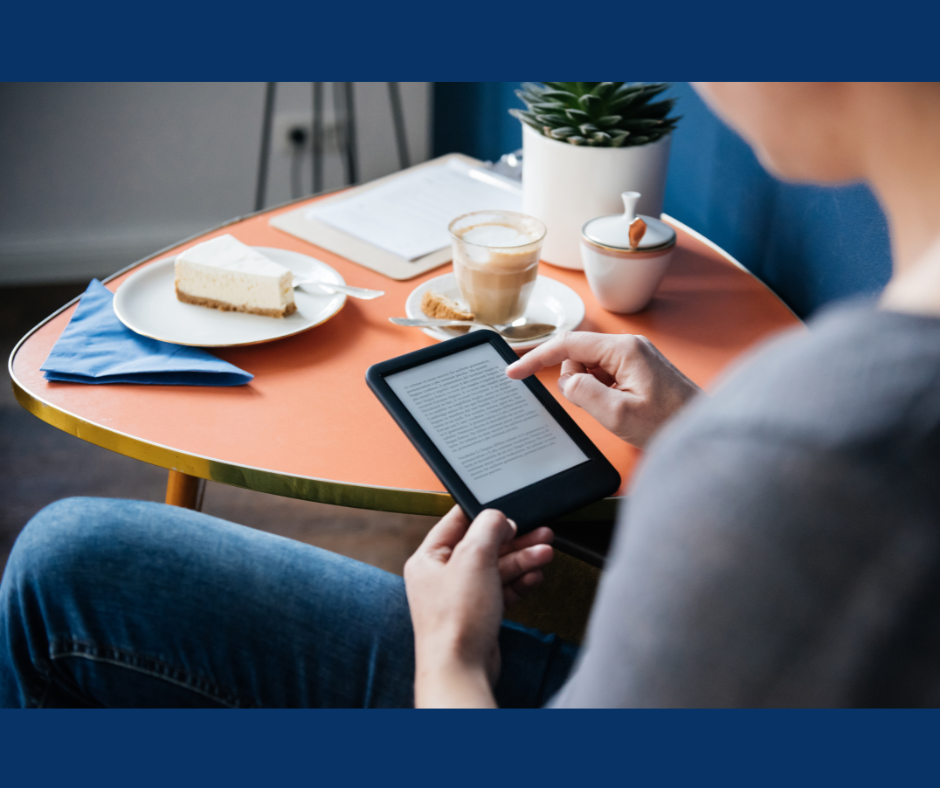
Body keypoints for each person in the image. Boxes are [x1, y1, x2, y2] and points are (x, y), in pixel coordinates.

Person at [4, 82, 940, 707]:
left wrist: (452, 654)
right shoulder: (821, 444)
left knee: (62, 567)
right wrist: (695, 430)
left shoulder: (820, 456)